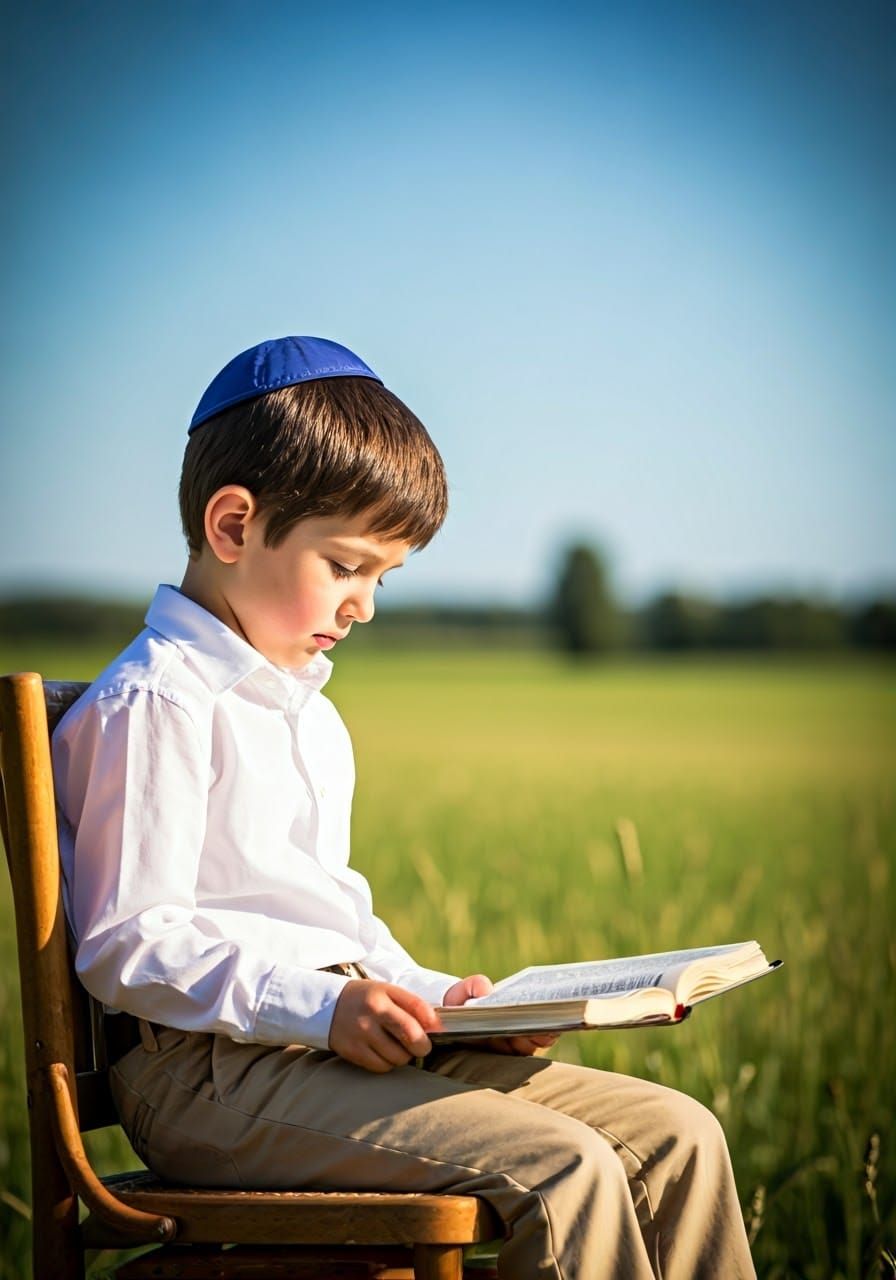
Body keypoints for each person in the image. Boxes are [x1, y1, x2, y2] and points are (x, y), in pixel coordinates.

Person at [52, 336, 757, 1279]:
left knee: (678, 1133)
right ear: (232, 527)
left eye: (383, 576)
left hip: (320, 1048)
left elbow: (330, 918)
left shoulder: (305, 711)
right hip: (207, 1075)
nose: (365, 606)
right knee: (567, 1171)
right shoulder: (159, 702)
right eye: (345, 566)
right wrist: (326, 1006)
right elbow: (130, 941)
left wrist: (440, 1002)